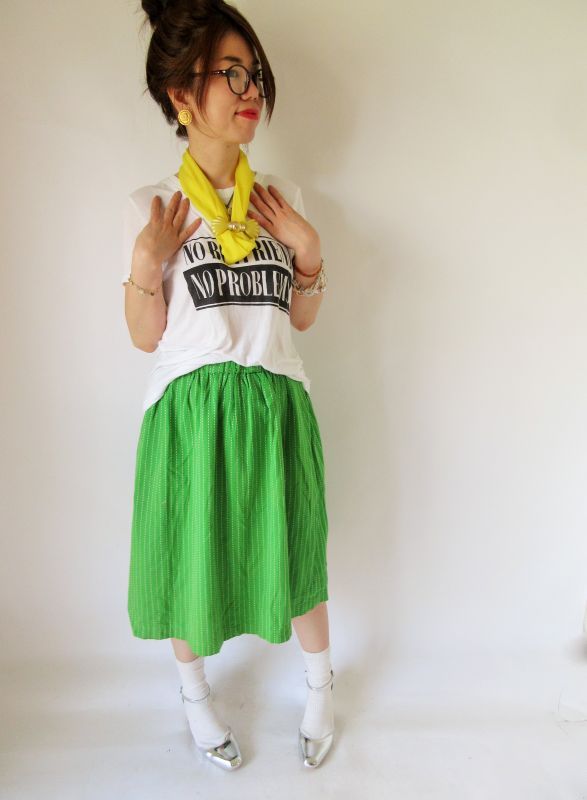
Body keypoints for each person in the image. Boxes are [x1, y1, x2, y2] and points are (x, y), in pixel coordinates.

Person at [122, 0, 334, 771]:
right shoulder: (154, 207)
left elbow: (299, 318)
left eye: (254, 74)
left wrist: (308, 254)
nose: (252, 91)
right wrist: (145, 264)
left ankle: (321, 687)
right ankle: (195, 699)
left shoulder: (282, 200)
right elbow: (144, 335)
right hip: (190, 412)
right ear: (182, 94)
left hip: (275, 402)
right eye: (231, 73)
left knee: (296, 553)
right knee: (190, 558)